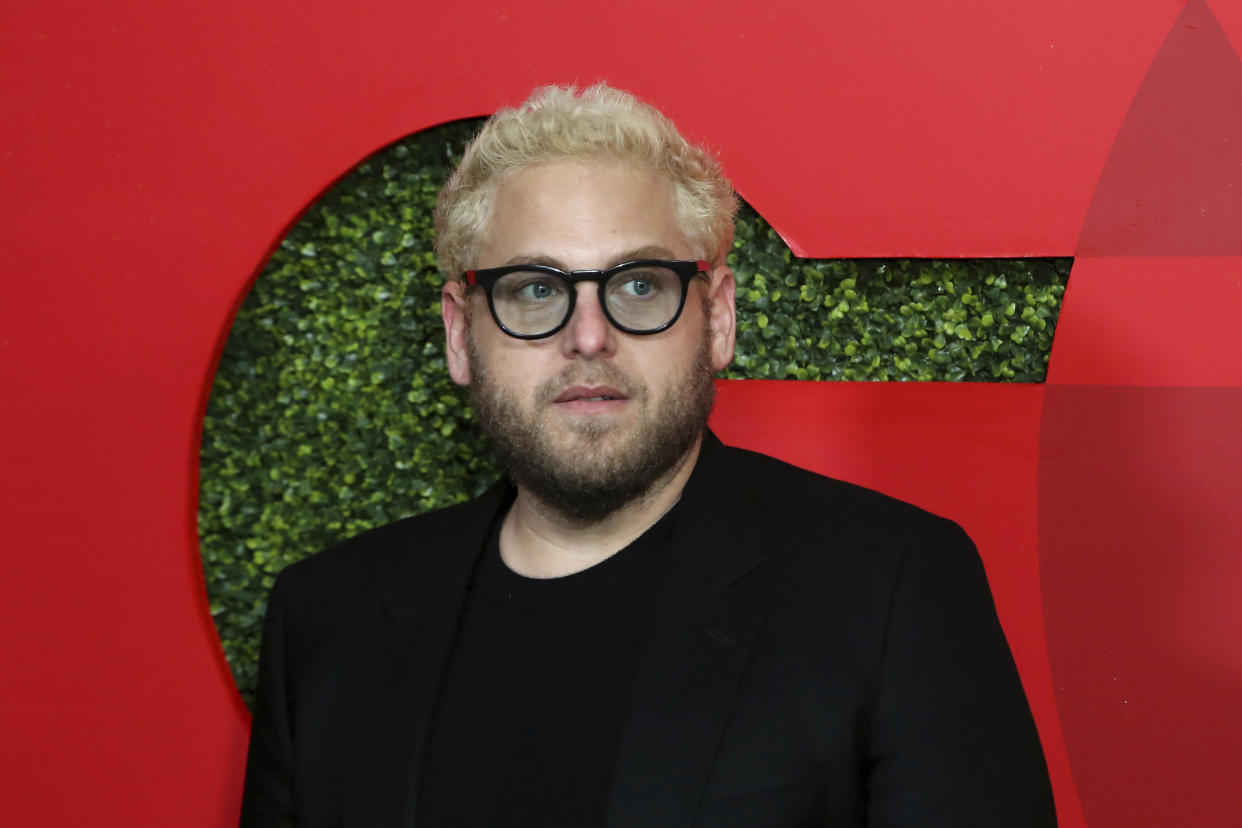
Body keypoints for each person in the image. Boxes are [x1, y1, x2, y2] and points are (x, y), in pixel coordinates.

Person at [240, 83, 1057, 828]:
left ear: (719, 317)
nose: (588, 337)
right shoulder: (327, 622)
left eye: (638, 286)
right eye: (534, 288)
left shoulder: (892, 588)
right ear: (460, 332)